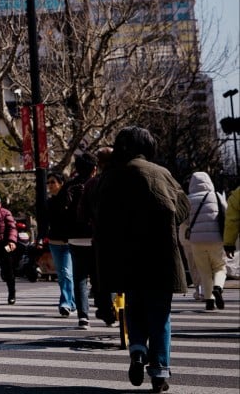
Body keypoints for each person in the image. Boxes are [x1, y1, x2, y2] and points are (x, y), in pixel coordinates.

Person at [94, 126, 189, 393]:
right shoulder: (161, 174)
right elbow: (182, 208)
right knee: (160, 315)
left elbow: (95, 214)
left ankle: (137, 350)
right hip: (160, 255)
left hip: (125, 257)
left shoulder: (109, 177)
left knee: (134, 307)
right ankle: (159, 373)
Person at [67, 151, 113, 329]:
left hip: (75, 238)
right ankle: (106, 310)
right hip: (98, 236)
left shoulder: (69, 186)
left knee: (79, 278)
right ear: (95, 168)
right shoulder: (100, 182)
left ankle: (83, 316)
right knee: (102, 275)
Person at [184, 171, 228, 311]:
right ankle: (218, 288)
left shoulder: (188, 199)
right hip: (216, 239)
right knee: (220, 267)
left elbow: (185, 221)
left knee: (204, 270)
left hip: (196, 241)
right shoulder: (216, 196)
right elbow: (226, 213)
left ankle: (209, 300)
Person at [42, 170, 76, 317]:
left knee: (67, 272)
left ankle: (65, 303)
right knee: (62, 274)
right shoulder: (48, 202)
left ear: (61, 183)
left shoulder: (70, 199)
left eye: (53, 182)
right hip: (54, 241)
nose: (50, 185)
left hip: (69, 241)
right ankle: (71, 302)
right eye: (48, 182)